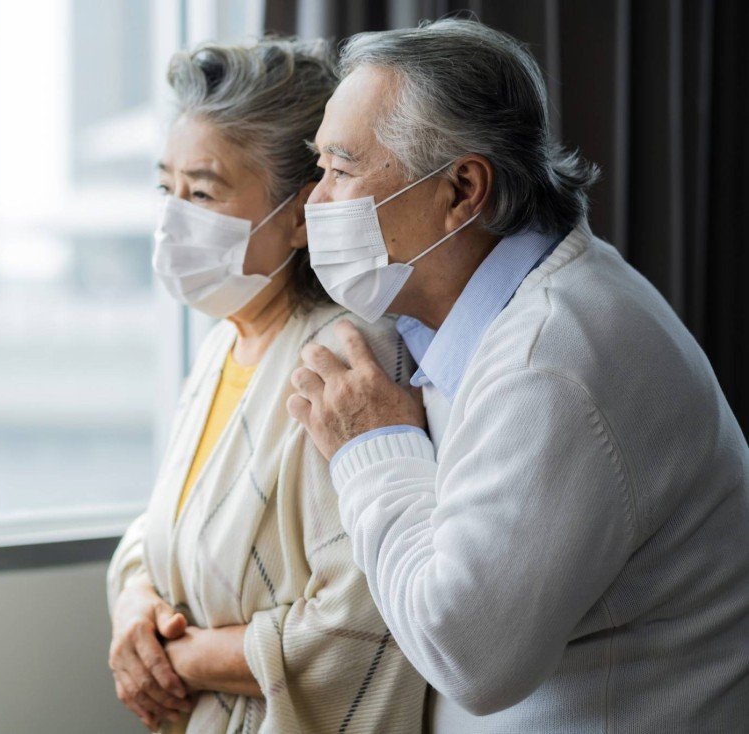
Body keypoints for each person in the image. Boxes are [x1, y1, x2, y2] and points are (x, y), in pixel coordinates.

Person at [287, 18, 749, 733]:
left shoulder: (555, 361)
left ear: (464, 189)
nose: (313, 205)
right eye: (319, 168)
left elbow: (468, 654)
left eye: (342, 169)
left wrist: (371, 448)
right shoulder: (446, 315)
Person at [106, 38, 426, 733]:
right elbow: (176, 522)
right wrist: (135, 602)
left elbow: (359, 622)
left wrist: (179, 661)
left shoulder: (342, 363)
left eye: (202, 191)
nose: (172, 218)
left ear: (297, 214)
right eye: (166, 189)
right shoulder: (225, 341)